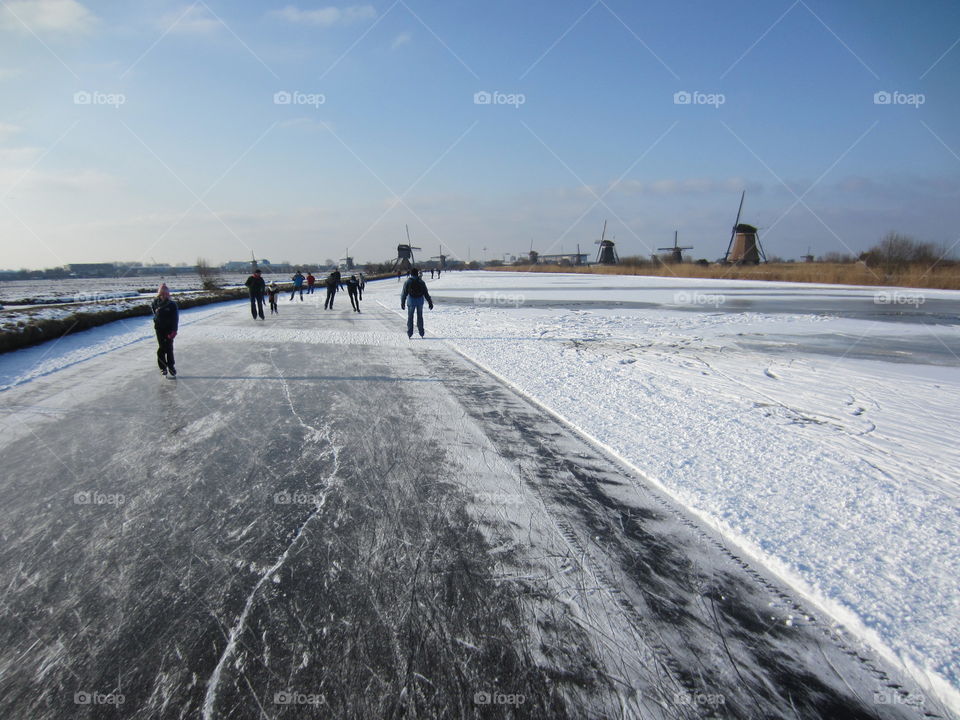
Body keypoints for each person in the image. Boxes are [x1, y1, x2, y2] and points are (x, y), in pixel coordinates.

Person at [152, 283, 179, 377]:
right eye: (162, 293)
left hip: (169, 329)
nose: (164, 295)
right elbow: (155, 315)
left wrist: (174, 330)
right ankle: (163, 368)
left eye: (165, 293)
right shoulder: (155, 302)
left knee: (169, 348)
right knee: (161, 348)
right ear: (159, 294)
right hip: (159, 329)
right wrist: (156, 320)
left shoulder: (172, 304)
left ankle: (171, 366)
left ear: (168, 294)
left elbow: (175, 318)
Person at [400, 267, 433, 338]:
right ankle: (421, 332)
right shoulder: (421, 281)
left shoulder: (408, 281)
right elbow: (426, 293)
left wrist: (403, 302)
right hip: (420, 301)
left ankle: (410, 333)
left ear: (411, 274)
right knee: (420, 317)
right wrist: (430, 302)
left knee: (410, 317)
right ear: (417, 273)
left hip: (411, 301)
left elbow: (404, 293)